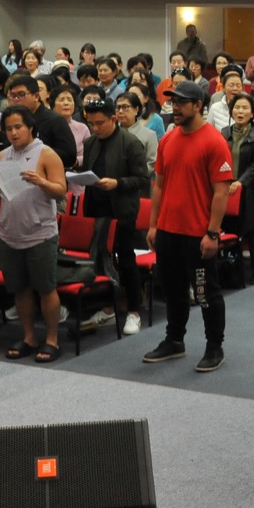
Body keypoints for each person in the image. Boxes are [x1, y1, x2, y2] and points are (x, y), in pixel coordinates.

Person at [142, 81, 233, 372]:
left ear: (198, 106)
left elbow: (221, 193)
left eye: (182, 102)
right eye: (173, 102)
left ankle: (214, 346)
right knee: (173, 289)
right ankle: (174, 340)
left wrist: (212, 233)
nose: (175, 107)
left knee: (206, 293)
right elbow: (158, 187)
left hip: (198, 234)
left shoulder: (214, 141)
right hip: (168, 231)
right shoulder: (168, 140)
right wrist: (154, 225)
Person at [0, 106, 69, 362]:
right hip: (8, 232)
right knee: (20, 289)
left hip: (40, 232)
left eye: (18, 127)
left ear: (30, 127)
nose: (14, 133)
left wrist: (41, 181)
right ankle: (29, 337)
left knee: (46, 288)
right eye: (8, 129)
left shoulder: (46, 154)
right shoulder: (1, 156)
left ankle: (52, 339)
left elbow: (61, 191)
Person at [77, 98, 150, 337]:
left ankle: (134, 311)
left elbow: (142, 180)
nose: (95, 128)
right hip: (96, 209)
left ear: (113, 119)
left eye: (100, 123)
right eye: (91, 123)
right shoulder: (90, 142)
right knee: (99, 260)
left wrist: (117, 183)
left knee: (126, 260)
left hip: (122, 211)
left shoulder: (130, 143)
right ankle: (108, 307)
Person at [225, 93, 254, 285]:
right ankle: (230, 268)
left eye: (245, 108)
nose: (240, 111)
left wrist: (240, 182)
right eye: (237, 108)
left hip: (251, 189)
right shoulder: (224, 133)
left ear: (252, 113)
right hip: (228, 188)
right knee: (229, 228)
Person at [6, 76, 77, 174]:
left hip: (48, 177)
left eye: (21, 95)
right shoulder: (11, 121)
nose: (16, 99)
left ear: (36, 96)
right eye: (13, 96)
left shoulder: (54, 120)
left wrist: (36, 151)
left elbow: (70, 156)